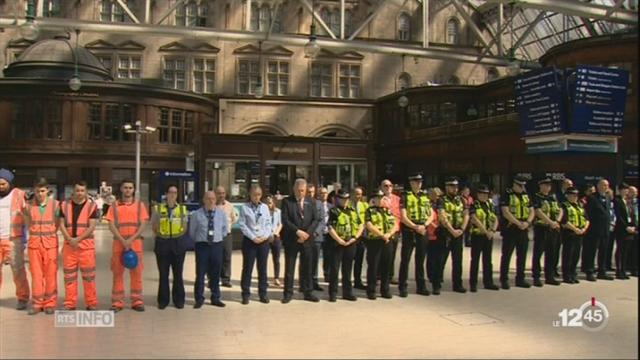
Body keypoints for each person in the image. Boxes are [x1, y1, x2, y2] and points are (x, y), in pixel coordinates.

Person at [105, 179, 149, 312]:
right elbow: (111, 225)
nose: (128, 190)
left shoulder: (140, 206)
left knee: (137, 274)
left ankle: (137, 301)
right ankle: (117, 303)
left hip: (135, 244)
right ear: (121, 189)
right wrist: (123, 240)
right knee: (117, 274)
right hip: (119, 244)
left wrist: (131, 239)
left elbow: (143, 224)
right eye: (125, 188)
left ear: (133, 190)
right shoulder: (114, 206)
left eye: (130, 188)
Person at [59, 180, 99, 311]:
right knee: (69, 277)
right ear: (73, 191)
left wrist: (78, 239)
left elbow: (92, 226)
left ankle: (91, 303)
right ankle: (70, 303)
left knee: (89, 277)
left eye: (82, 190)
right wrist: (69, 238)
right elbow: (61, 224)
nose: (80, 193)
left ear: (86, 192)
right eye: (77, 190)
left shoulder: (92, 206)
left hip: (86, 247)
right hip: (69, 247)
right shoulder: (64, 205)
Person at [24, 178, 60, 315]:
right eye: (38, 191)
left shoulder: (55, 205)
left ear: (48, 191)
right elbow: (28, 224)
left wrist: (48, 234)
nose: (40, 193)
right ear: (34, 191)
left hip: (50, 244)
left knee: (51, 274)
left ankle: (50, 303)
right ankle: (37, 303)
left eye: (43, 191)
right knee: (36, 275)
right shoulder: (28, 206)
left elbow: (57, 223)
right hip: (34, 245)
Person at [281, 178, 321, 303]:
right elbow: (285, 220)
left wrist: (307, 234)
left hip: (307, 239)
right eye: (298, 191)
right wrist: (297, 232)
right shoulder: (287, 201)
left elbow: (316, 219)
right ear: (294, 189)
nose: (300, 193)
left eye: (303, 191)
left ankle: (308, 292)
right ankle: (288, 293)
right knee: (290, 267)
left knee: (308, 267)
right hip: (292, 238)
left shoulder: (311, 201)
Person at [151, 184, 189, 309]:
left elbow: (185, 227)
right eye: (170, 192)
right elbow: (154, 227)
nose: (172, 195)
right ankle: (163, 300)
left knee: (178, 274)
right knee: (163, 274)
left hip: (178, 245)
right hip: (163, 244)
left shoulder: (183, 209)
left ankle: (179, 300)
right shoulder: (158, 209)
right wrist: (163, 236)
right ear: (166, 194)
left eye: (175, 192)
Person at [189, 191, 228, 308]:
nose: (211, 201)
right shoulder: (197, 214)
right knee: (200, 273)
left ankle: (215, 297)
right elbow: (192, 232)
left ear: (215, 200)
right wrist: (201, 240)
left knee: (216, 273)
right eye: (208, 198)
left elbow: (225, 230)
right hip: (202, 246)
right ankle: (199, 298)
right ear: (204, 200)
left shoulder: (221, 214)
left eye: (213, 199)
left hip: (216, 245)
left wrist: (217, 238)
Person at [398, 173, 433, 297]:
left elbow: (431, 214)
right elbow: (403, 216)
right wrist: (414, 226)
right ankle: (402, 287)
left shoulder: (425, 196)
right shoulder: (405, 196)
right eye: (416, 182)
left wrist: (424, 225)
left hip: (422, 229)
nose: (419, 184)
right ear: (411, 183)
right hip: (409, 230)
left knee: (420, 260)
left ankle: (421, 286)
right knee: (405, 260)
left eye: (420, 182)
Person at [0, 168, 30, 311]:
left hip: (13, 239)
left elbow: (27, 216)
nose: (0, 187)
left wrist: (25, 239)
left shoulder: (18, 195)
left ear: (9, 183)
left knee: (17, 270)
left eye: (3, 184)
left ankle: (23, 297)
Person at [327, 189, 363, 302]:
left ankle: (347, 292)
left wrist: (355, 238)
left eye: (346, 199)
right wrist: (339, 240)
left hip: (351, 243)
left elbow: (360, 225)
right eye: (342, 199)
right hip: (337, 243)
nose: (344, 201)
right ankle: (333, 293)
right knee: (335, 269)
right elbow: (330, 228)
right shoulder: (334, 211)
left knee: (347, 270)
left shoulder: (352, 211)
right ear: (338, 199)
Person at [238, 185, 272, 304]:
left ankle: (263, 293)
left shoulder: (265, 208)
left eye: (258, 195)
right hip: (250, 242)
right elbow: (242, 225)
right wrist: (253, 237)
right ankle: (245, 294)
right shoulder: (244, 208)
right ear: (250, 195)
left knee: (262, 269)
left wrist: (265, 236)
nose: (256, 197)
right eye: (254, 195)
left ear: (261, 195)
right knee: (248, 268)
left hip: (263, 241)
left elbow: (269, 224)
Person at [499, 175, 535, 289]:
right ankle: (504, 279)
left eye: (524, 185)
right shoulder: (507, 194)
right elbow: (505, 212)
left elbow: (532, 210)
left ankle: (520, 279)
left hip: (524, 228)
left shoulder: (526, 195)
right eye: (520, 185)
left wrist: (528, 222)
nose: (522, 187)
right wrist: (518, 223)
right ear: (514, 184)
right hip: (511, 229)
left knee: (522, 255)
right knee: (507, 255)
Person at [436, 177, 469, 294]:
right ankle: (437, 284)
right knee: (440, 260)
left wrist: (462, 229)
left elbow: (466, 215)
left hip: (458, 233)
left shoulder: (462, 200)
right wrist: (451, 230)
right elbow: (442, 216)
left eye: (456, 186)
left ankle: (458, 284)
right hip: (445, 233)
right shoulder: (441, 200)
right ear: (447, 187)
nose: (455, 189)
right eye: (452, 186)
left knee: (458, 261)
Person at [364, 189, 397, 300]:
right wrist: (381, 235)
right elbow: (369, 225)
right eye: (377, 198)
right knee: (373, 266)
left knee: (386, 266)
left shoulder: (388, 211)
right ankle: (371, 290)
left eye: (381, 198)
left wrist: (388, 234)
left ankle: (385, 290)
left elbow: (395, 225)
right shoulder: (369, 211)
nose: (379, 200)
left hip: (387, 241)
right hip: (374, 241)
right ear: (373, 199)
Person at [531, 177, 562, 287]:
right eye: (545, 185)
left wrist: (557, 221)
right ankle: (536, 276)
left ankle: (549, 276)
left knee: (551, 253)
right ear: (540, 185)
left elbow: (560, 209)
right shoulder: (536, 197)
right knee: (538, 253)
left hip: (553, 229)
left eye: (549, 185)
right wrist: (549, 222)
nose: (547, 187)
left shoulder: (552, 197)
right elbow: (537, 211)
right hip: (541, 228)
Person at [468, 184, 500, 292]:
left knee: (488, 260)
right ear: (478, 194)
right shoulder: (473, 204)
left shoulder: (490, 204)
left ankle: (488, 282)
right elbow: (474, 219)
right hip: (477, 236)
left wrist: (493, 231)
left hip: (488, 235)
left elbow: (495, 218)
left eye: (486, 194)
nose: (484, 196)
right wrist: (485, 231)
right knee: (475, 260)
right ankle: (473, 283)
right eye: (482, 193)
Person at [583, 179, 614, 281]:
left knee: (603, 251)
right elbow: (588, 214)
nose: (605, 187)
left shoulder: (608, 197)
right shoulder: (591, 198)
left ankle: (602, 271)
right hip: (594, 230)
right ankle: (590, 272)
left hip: (605, 229)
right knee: (591, 251)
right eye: (603, 185)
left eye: (607, 185)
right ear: (598, 186)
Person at [560, 187, 590, 284]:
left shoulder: (580, 206)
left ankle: (573, 274)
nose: (574, 197)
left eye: (576, 195)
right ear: (567, 196)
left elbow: (587, 219)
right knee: (568, 255)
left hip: (580, 233)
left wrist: (584, 229)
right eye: (572, 195)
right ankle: (566, 275)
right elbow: (564, 221)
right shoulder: (564, 205)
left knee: (576, 256)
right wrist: (575, 229)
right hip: (569, 233)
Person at [216, 186, 239, 288]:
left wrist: (227, 226)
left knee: (227, 257)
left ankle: (226, 279)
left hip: (227, 235)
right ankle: (213, 278)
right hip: (215, 236)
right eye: (219, 193)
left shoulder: (230, 206)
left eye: (223, 193)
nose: (221, 195)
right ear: (215, 194)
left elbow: (234, 219)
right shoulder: (211, 205)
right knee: (214, 258)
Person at [613, 183, 637, 279]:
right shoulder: (617, 200)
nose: (626, 191)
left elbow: (632, 215)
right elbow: (618, 216)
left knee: (626, 250)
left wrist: (633, 226)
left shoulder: (627, 201)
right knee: (620, 250)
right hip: (621, 229)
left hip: (630, 228)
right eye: (624, 189)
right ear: (619, 190)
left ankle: (623, 269)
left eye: (627, 189)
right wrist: (625, 227)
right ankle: (619, 270)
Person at [380, 179, 401, 284]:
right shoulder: (378, 199)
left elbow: (399, 214)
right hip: (382, 231)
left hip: (395, 229)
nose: (388, 187)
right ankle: (380, 275)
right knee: (382, 254)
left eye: (390, 185)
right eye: (385, 186)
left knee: (392, 253)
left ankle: (390, 275)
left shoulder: (398, 199)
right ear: (381, 187)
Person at [351, 186, 369, 290]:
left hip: (362, 236)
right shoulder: (348, 205)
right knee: (348, 260)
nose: (358, 196)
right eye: (357, 194)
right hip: (351, 236)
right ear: (352, 194)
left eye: (360, 194)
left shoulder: (365, 205)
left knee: (359, 260)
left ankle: (357, 281)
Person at [308, 184, 325, 292]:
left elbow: (322, 220)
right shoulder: (303, 203)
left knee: (315, 260)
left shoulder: (319, 204)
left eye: (312, 192)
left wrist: (315, 232)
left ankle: (314, 282)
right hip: (306, 236)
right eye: (308, 192)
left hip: (317, 237)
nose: (310, 194)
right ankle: (304, 282)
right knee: (305, 261)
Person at [265, 195, 283, 287]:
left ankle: (276, 278)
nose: (269, 205)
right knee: (264, 258)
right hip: (266, 237)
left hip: (276, 236)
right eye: (267, 203)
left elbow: (280, 224)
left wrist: (276, 232)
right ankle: (265, 278)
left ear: (274, 203)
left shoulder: (278, 212)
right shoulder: (263, 212)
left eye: (270, 203)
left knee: (276, 259)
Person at [426, 187, 442, 288]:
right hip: (430, 231)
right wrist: (433, 225)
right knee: (430, 256)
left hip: (439, 232)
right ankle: (430, 275)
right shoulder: (428, 203)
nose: (436, 196)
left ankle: (437, 275)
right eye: (434, 194)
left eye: (438, 194)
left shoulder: (440, 204)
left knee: (438, 256)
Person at [629, 186, 639, 277]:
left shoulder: (637, 202)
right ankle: (631, 267)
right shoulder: (626, 202)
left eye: (635, 192)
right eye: (632, 191)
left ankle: (635, 267)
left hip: (638, 227)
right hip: (630, 227)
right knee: (631, 249)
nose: (634, 193)